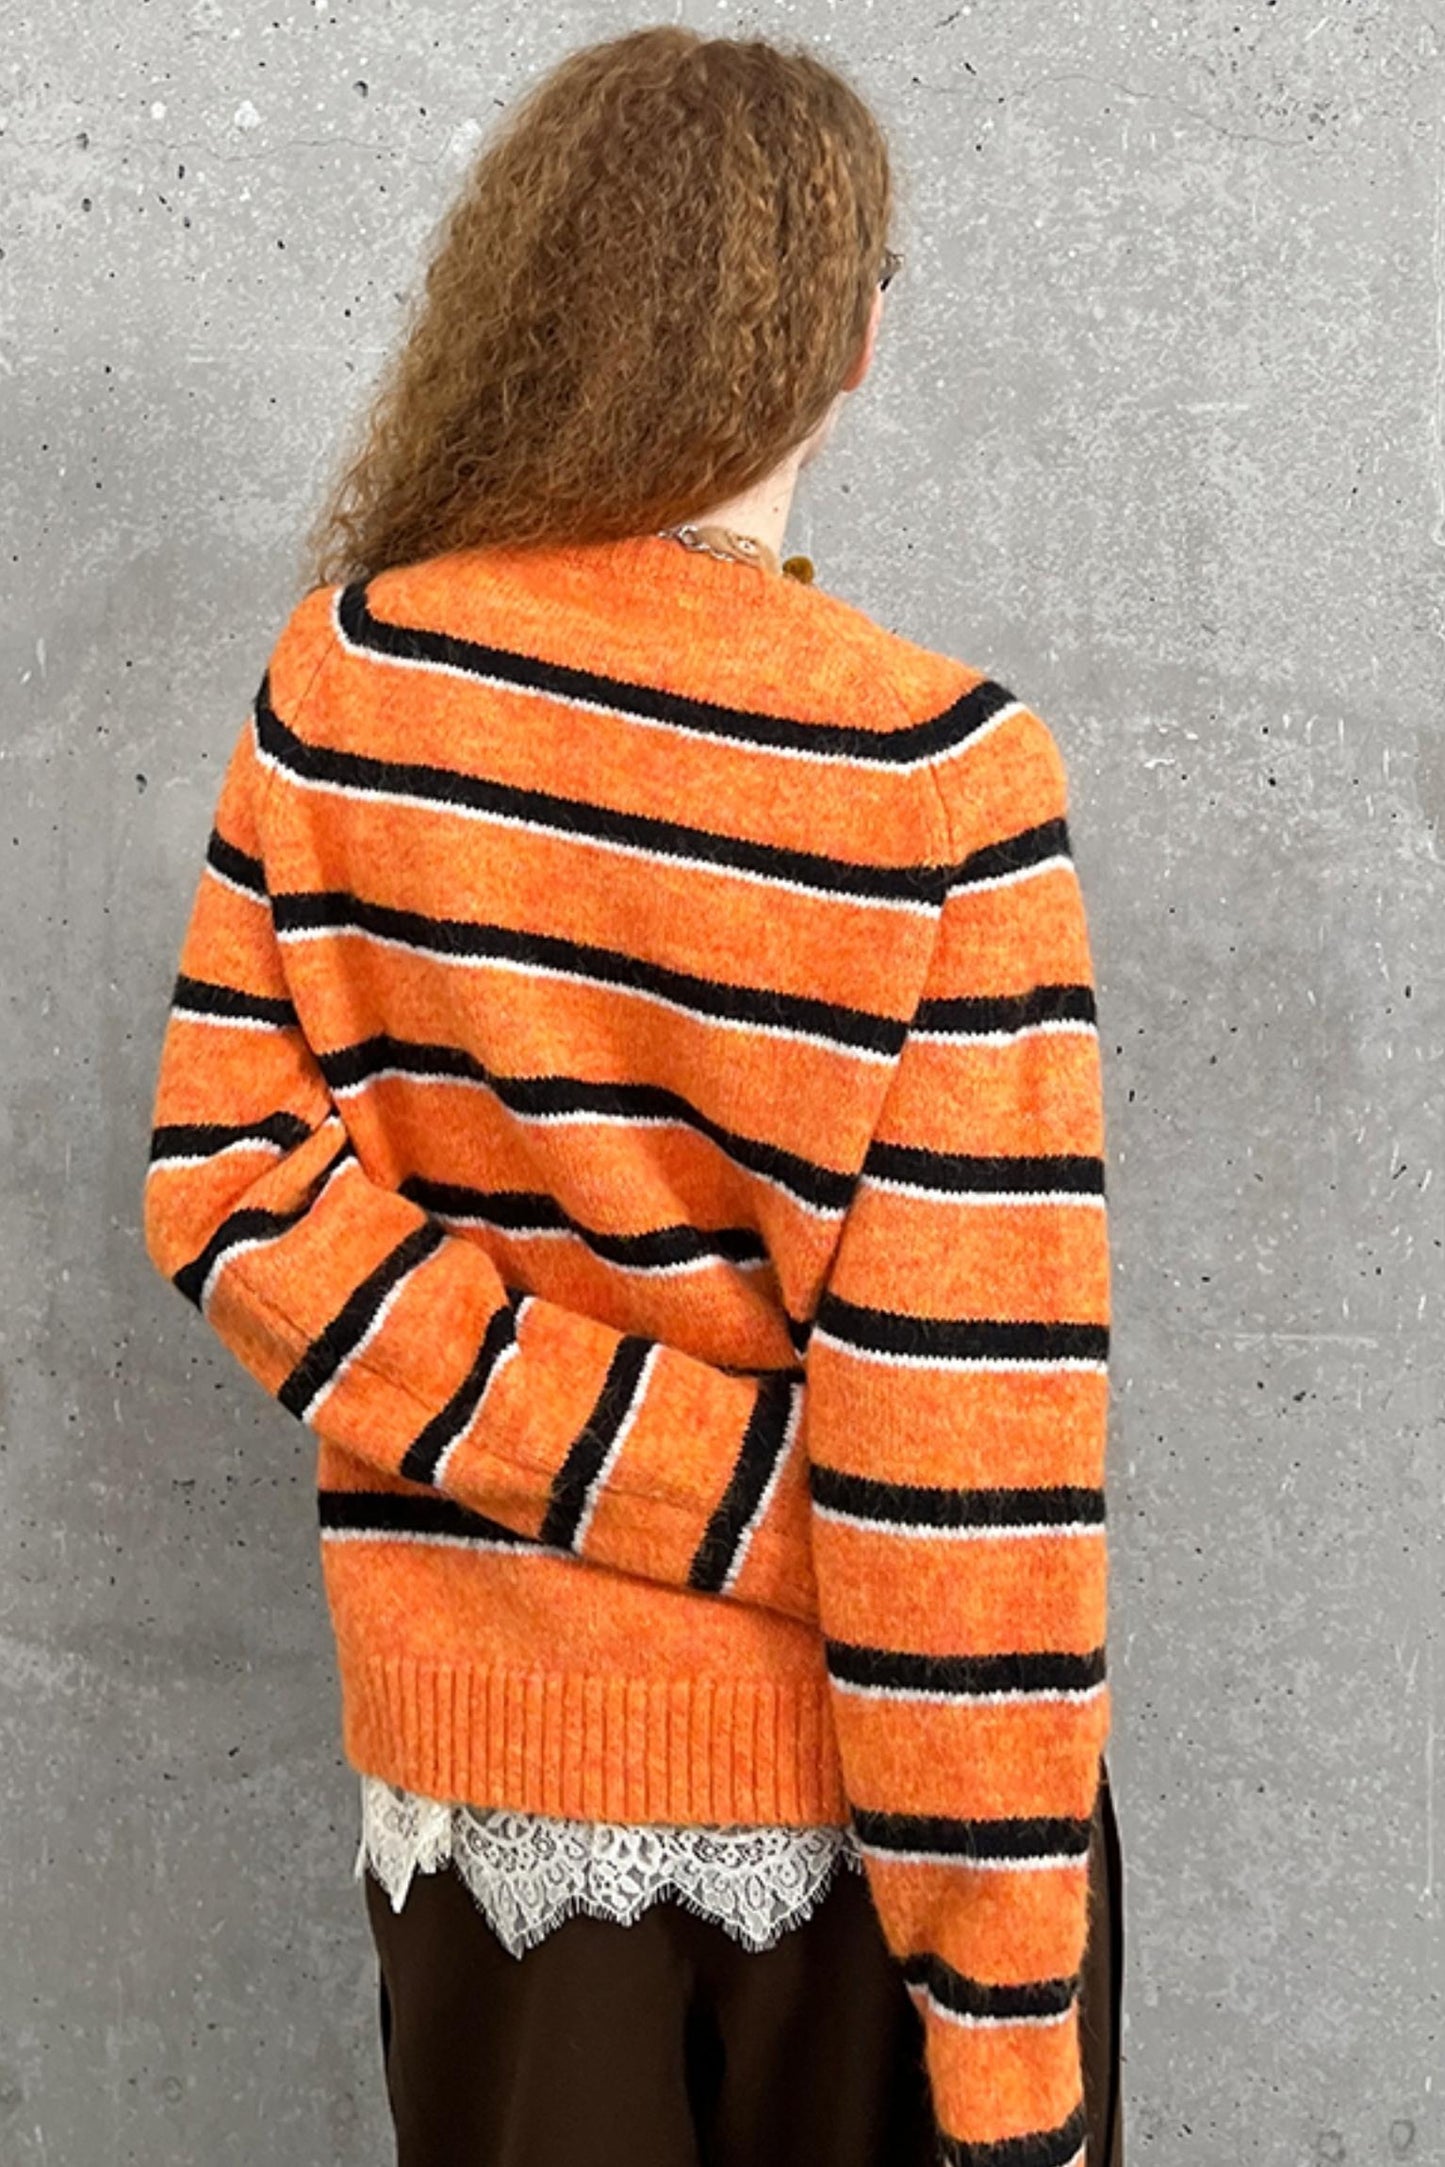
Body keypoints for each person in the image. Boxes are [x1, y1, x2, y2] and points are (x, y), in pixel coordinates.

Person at [141, 23, 1123, 2166]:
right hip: (856, 1825)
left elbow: (226, 1188)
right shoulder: (932, 777)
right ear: (850, 339)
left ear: (536, 298)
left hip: (477, 1801)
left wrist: (657, 1479)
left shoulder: (350, 683)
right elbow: (970, 1451)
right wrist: (1012, 2044)